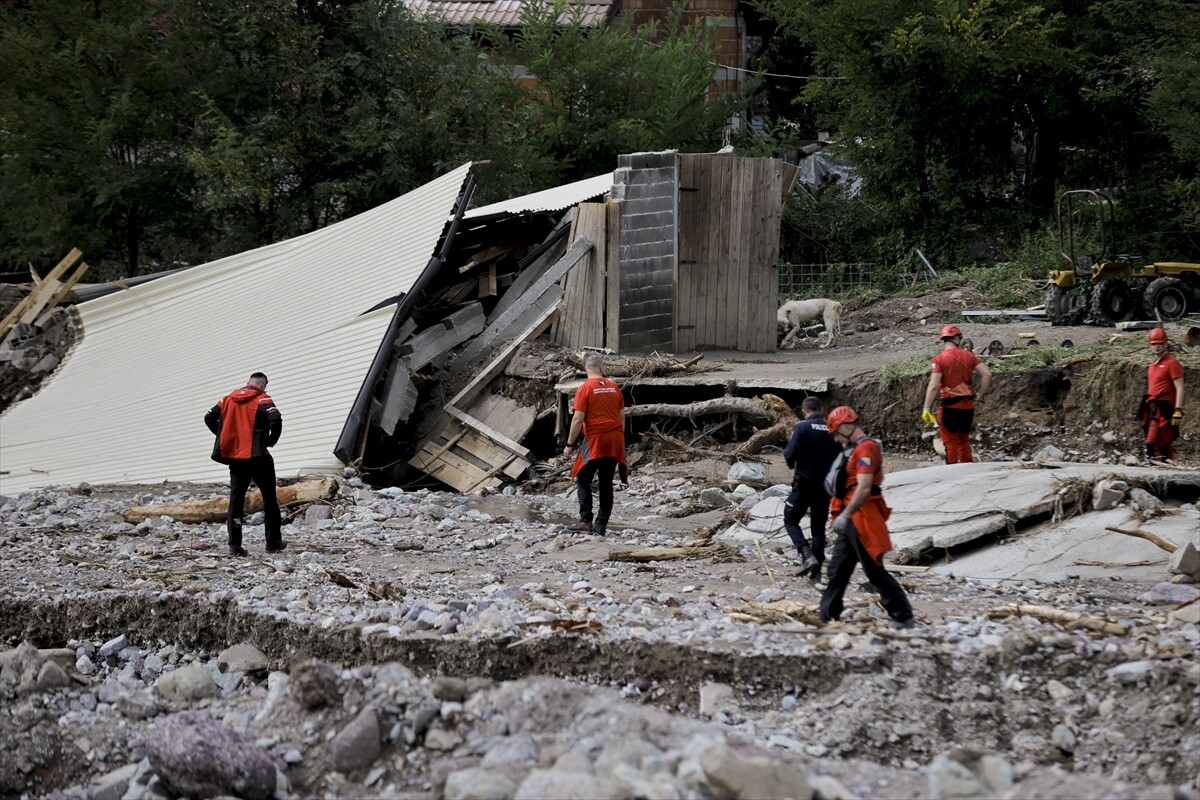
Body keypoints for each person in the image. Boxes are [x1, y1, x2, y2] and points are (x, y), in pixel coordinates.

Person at [819, 405, 915, 629]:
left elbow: (863, 488)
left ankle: (903, 615)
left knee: (874, 570)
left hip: (862, 516)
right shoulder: (854, 449)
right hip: (851, 515)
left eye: (835, 433)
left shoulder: (867, 449)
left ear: (845, 426)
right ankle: (827, 616)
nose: (835, 439)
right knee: (838, 570)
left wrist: (847, 515)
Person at [204, 372, 285, 556]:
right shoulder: (262, 398)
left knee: (236, 499)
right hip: (259, 457)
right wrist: (270, 441)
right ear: (263, 386)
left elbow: (208, 418)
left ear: (247, 383)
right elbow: (276, 418)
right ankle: (273, 542)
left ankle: (234, 545)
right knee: (269, 499)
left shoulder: (226, 400)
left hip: (236, 459)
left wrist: (224, 437)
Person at [563, 354, 628, 535]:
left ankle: (586, 521)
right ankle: (601, 524)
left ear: (586, 369)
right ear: (601, 367)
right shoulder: (614, 387)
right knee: (606, 482)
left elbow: (578, 419)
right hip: (615, 438)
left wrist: (569, 444)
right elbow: (622, 417)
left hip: (595, 439)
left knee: (583, 478)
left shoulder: (585, 388)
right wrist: (618, 437)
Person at [782, 397, 840, 578]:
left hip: (804, 484)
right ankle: (816, 574)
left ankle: (806, 554)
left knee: (790, 519)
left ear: (803, 411)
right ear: (821, 410)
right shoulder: (832, 429)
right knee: (818, 528)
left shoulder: (801, 427)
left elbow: (790, 454)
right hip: (825, 487)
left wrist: (791, 463)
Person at [921, 324, 992, 463]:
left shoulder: (939, 359)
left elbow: (934, 386)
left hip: (949, 406)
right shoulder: (970, 356)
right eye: (960, 337)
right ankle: (967, 469)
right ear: (956, 338)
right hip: (968, 406)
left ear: (945, 339)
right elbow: (987, 374)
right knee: (963, 440)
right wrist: (979, 394)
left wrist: (926, 408)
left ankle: (952, 472)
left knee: (950, 441)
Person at [1140, 327, 1185, 461]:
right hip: (1152, 408)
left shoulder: (1172, 363)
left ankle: (1155, 466)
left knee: (1152, 441)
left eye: (1159, 343)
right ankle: (1166, 463)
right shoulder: (1153, 364)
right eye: (1154, 344)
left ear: (1166, 344)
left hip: (1164, 408)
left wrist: (1178, 411)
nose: (1157, 347)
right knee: (1161, 439)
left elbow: (1180, 388)